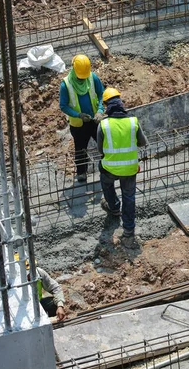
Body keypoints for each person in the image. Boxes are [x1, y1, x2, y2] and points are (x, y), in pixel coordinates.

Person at [97, 88, 148, 238]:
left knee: (106, 184)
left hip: (110, 168)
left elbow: (101, 150)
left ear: (106, 106)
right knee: (129, 197)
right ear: (121, 103)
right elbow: (143, 142)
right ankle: (129, 229)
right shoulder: (133, 122)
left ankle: (113, 208)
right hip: (130, 168)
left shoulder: (103, 125)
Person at [59, 54, 105, 183]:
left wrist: (100, 110)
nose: (82, 80)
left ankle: (108, 167)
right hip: (78, 124)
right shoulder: (66, 85)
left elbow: (102, 93)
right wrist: (78, 115)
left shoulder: (92, 77)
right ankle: (81, 172)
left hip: (95, 120)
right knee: (80, 149)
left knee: (105, 144)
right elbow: (63, 106)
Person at [14, 253, 67, 321]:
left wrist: (60, 306)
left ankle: (58, 318)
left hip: (37, 303)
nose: (30, 275)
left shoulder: (38, 272)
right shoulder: (15, 284)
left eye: (31, 272)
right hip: (22, 310)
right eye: (27, 274)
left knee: (53, 304)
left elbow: (55, 288)